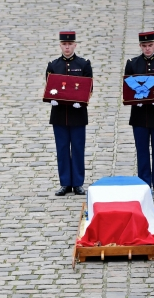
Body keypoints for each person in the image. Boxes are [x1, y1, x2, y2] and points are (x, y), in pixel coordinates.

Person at [125, 31, 154, 196]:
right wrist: (135, 99)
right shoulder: (132, 64)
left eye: (150, 45)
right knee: (142, 152)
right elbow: (127, 86)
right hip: (139, 115)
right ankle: (144, 183)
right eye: (144, 46)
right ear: (140, 46)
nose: (147, 49)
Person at [46, 31, 93, 196]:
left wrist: (81, 101)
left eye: (70, 44)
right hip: (59, 113)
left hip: (77, 113)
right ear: (60, 45)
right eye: (64, 44)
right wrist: (52, 98)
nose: (67, 47)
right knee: (62, 148)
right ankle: (65, 183)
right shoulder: (53, 65)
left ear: (75, 45)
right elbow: (50, 86)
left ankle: (78, 183)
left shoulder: (84, 64)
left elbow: (89, 87)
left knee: (78, 148)